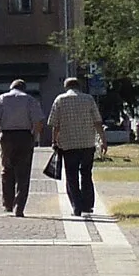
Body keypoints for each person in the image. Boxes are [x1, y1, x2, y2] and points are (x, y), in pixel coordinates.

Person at [47, 76, 107, 217]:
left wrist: (54, 141)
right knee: (86, 174)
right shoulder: (88, 99)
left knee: (71, 175)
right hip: (87, 143)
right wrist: (103, 140)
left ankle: (76, 205)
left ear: (66, 87)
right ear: (79, 86)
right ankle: (88, 204)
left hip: (68, 144)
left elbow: (55, 124)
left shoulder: (60, 100)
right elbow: (97, 121)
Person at [0, 79, 42, 217]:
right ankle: (19, 207)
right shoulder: (30, 100)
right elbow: (38, 121)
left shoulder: (1, 99)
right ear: (24, 88)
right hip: (24, 136)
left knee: (7, 170)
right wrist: (34, 136)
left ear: (11, 87)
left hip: (7, 137)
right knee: (23, 173)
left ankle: (8, 204)